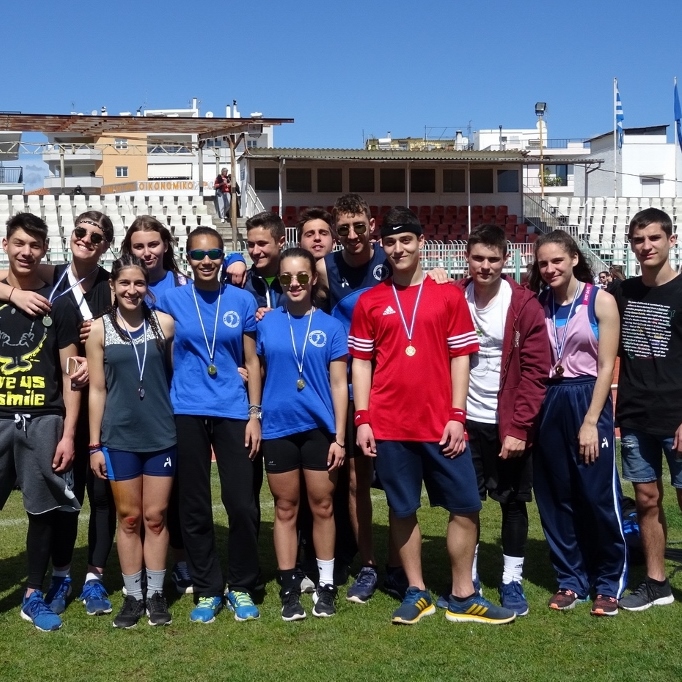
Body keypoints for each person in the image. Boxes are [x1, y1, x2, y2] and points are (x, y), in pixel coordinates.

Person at [349, 207, 516, 626]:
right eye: (391, 242)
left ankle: (462, 594)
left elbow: (461, 357)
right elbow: (362, 364)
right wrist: (363, 418)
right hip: (390, 425)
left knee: (466, 506)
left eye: (406, 240)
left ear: (421, 242)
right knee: (402, 508)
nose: (398, 249)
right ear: (382, 246)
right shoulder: (370, 301)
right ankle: (416, 590)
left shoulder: (448, 295)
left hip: (442, 424)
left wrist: (457, 414)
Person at [0, 210, 117, 618]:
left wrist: (96, 359)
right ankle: (60, 575)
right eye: (81, 231)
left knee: (89, 497)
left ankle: (85, 578)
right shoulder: (52, 275)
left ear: (105, 245)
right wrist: (11, 294)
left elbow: (135, 330)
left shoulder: (110, 286)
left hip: (88, 405)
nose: (87, 239)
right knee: (63, 499)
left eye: (96, 236)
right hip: (39, 408)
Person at [156, 227, 262, 624]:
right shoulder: (170, 299)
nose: (206, 261)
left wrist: (254, 413)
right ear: (187, 258)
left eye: (214, 254)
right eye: (198, 255)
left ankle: (241, 584)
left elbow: (251, 361)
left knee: (242, 504)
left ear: (223, 256)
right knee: (194, 505)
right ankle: (207, 588)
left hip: (233, 409)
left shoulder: (242, 299)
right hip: (185, 408)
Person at [448, 224, 549, 616]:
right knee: (465, 504)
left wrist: (520, 427)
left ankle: (511, 579)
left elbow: (536, 373)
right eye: (478, 258)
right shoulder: (453, 296)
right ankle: (468, 577)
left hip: (509, 422)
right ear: (467, 258)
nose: (485, 266)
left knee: (513, 503)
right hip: (465, 421)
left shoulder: (523, 304)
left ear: (506, 259)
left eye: (493, 259)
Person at [530, 229, 627, 616]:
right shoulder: (538, 304)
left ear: (573, 259)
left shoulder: (600, 300)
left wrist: (590, 422)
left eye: (557, 260)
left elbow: (606, 367)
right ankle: (571, 579)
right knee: (556, 495)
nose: (550, 268)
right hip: (549, 398)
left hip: (588, 397)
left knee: (597, 494)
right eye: (543, 263)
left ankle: (608, 582)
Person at [0, 213, 81, 631]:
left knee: (43, 510)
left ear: (45, 249)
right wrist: (11, 294)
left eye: (34, 245)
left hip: (44, 419)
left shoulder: (59, 303)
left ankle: (32, 595)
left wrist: (69, 433)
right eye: (19, 243)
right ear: (5, 245)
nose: (26, 252)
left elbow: (71, 374)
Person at [258, 247, 348, 619]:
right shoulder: (266, 323)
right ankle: (289, 585)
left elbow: (339, 384)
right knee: (285, 508)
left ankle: (325, 584)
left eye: (301, 277)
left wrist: (340, 437)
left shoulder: (331, 326)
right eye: (286, 278)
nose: (293, 283)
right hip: (277, 428)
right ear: (278, 280)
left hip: (319, 429)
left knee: (323, 506)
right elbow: (256, 369)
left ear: (313, 280)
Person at [86, 256, 176, 628]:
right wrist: (94, 445)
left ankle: (155, 593)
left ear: (147, 287)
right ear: (113, 286)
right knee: (129, 518)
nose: (132, 290)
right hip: (119, 437)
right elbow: (96, 389)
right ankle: (132, 595)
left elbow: (180, 371)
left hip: (161, 435)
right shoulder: (99, 329)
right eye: (124, 283)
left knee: (154, 518)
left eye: (139, 283)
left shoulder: (165, 324)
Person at [615, 208, 681, 611]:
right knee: (646, 499)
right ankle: (657, 583)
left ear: (671, 240)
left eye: (654, 238)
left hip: (677, 416)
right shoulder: (622, 292)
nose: (646, 246)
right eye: (639, 240)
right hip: (636, 415)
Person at [243, 211, 287, 317]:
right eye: (251, 245)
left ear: (281, 242)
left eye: (262, 244)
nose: (255, 251)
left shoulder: (297, 282)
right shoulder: (241, 283)